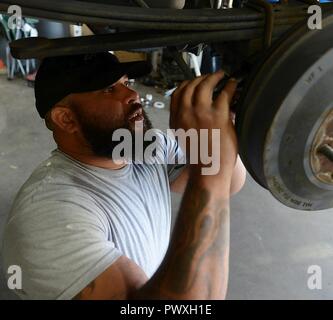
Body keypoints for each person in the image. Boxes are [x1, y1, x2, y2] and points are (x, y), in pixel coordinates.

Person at [2, 52, 246, 300]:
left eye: (126, 83)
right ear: (66, 118)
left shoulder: (146, 148)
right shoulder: (49, 215)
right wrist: (212, 166)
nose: (133, 95)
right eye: (109, 89)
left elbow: (230, 183)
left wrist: (220, 131)